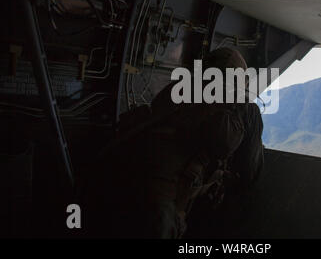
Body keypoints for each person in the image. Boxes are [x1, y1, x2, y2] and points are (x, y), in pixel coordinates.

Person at [82, 48, 264, 238]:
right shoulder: (232, 109)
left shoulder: (179, 89)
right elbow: (246, 168)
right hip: (155, 209)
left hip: (114, 181)